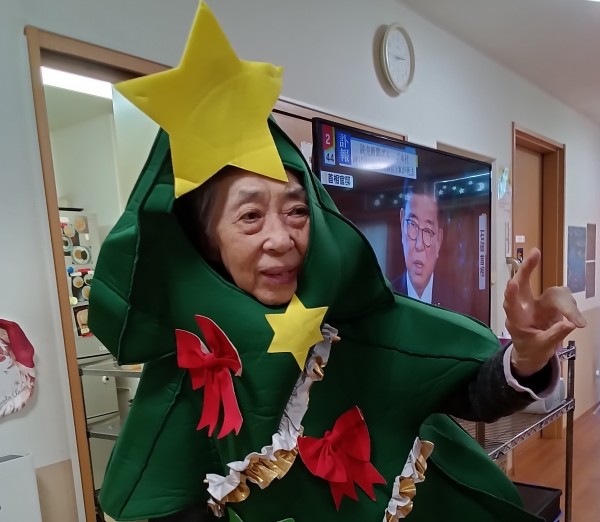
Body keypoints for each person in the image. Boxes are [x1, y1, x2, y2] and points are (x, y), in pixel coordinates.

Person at [88, 3, 586, 521]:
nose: (282, 238)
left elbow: (468, 385)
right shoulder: (191, 368)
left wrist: (526, 357)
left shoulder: (357, 323)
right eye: (251, 216)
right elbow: (163, 499)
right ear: (208, 240)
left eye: (297, 210)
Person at [392, 183, 446, 304]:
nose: (419, 245)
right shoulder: (384, 299)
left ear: (439, 240)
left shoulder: (457, 304)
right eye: (412, 224)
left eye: (428, 231)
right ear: (402, 225)